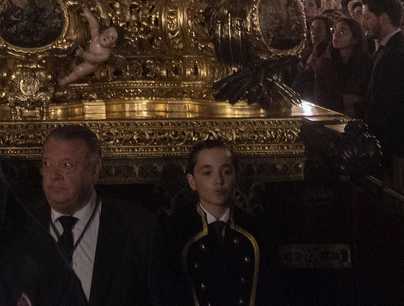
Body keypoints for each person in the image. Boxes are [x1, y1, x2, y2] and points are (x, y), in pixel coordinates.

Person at [35, 124, 154, 305]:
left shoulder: (140, 229)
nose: (54, 175)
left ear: (94, 170)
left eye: (66, 165)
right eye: (47, 164)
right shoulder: (19, 226)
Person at [152, 139, 275, 306]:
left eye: (226, 172)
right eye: (207, 173)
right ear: (192, 181)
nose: (219, 181)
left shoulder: (257, 231)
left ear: (236, 177)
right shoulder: (174, 233)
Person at [362, 0, 404, 195]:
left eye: (367, 17)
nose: (363, 23)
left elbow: (388, 108)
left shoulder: (396, 54)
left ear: (383, 18)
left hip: (398, 152)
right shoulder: (390, 49)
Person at [311, 16, 373, 116]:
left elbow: (368, 95)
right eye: (335, 30)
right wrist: (350, 99)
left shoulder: (365, 62)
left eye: (342, 32)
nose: (336, 35)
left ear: (355, 39)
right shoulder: (326, 62)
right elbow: (323, 98)